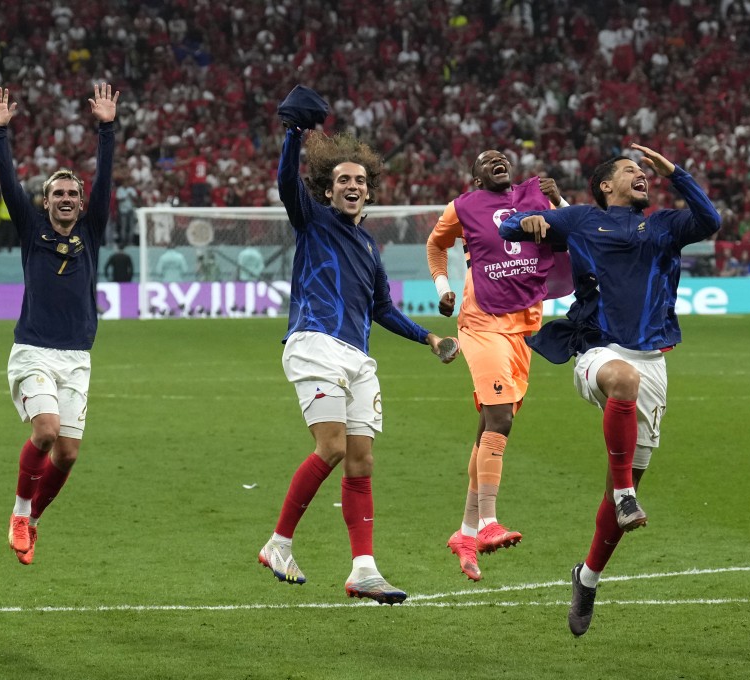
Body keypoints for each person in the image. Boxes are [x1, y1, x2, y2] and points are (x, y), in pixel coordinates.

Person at [499, 143, 721, 636]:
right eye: (630, 170)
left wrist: (676, 173)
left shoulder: (665, 224)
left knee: (629, 477)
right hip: (598, 348)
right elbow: (505, 227)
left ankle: (588, 576)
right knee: (623, 381)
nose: (641, 174)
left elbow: (710, 221)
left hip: (652, 360)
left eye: (645, 171)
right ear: (605, 186)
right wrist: (527, 223)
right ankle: (623, 493)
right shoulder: (579, 220)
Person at [257, 86, 459, 605]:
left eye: (361, 180)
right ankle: (278, 542)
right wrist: (293, 135)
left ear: (369, 191)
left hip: (356, 356)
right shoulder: (312, 219)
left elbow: (382, 309)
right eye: (344, 179)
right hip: (314, 343)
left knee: (361, 460)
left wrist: (430, 338)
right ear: (328, 190)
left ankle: (363, 569)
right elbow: (285, 182)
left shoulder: (370, 245)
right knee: (331, 446)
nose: (353, 185)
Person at [0, 83, 118, 566]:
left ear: (82, 204)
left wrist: (107, 127)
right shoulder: (31, 228)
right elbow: (7, 182)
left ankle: (35, 520)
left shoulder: (91, 231)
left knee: (67, 454)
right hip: (34, 351)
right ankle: (19, 512)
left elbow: (105, 178)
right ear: (44, 203)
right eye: (57, 193)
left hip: (77, 358)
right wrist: (0, 133)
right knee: (45, 430)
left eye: (72, 194)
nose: (65, 198)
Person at [426, 150, 570, 582]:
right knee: (500, 418)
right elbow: (436, 244)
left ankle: (465, 533)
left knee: (489, 426)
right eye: (487, 160)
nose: (497, 161)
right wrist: (442, 285)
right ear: (475, 176)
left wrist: (559, 201)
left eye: (502, 158)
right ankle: (488, 521)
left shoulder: (535, 195)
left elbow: (576, 231)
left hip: (524, 326)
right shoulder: (463, 207)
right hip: (481, 321)